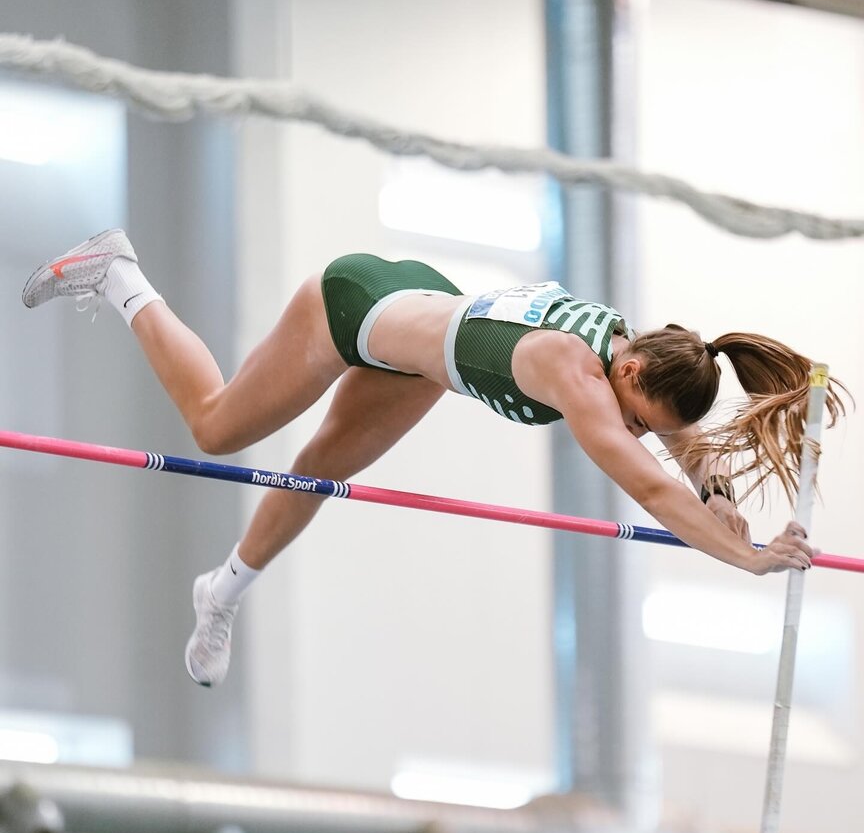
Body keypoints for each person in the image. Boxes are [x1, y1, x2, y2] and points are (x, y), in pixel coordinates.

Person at [22, 230, 846, 687]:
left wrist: (718, 492)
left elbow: (677, 442)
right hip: (354, 306)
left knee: (318, 472)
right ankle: (119, 273)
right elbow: (652, 494)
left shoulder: (635, 350)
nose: (636, 433)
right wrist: (748, 559)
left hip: (423, 344)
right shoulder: (574, 373)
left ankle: (222, 591)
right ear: (626, 375)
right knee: (215, 429)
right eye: (635, 419)